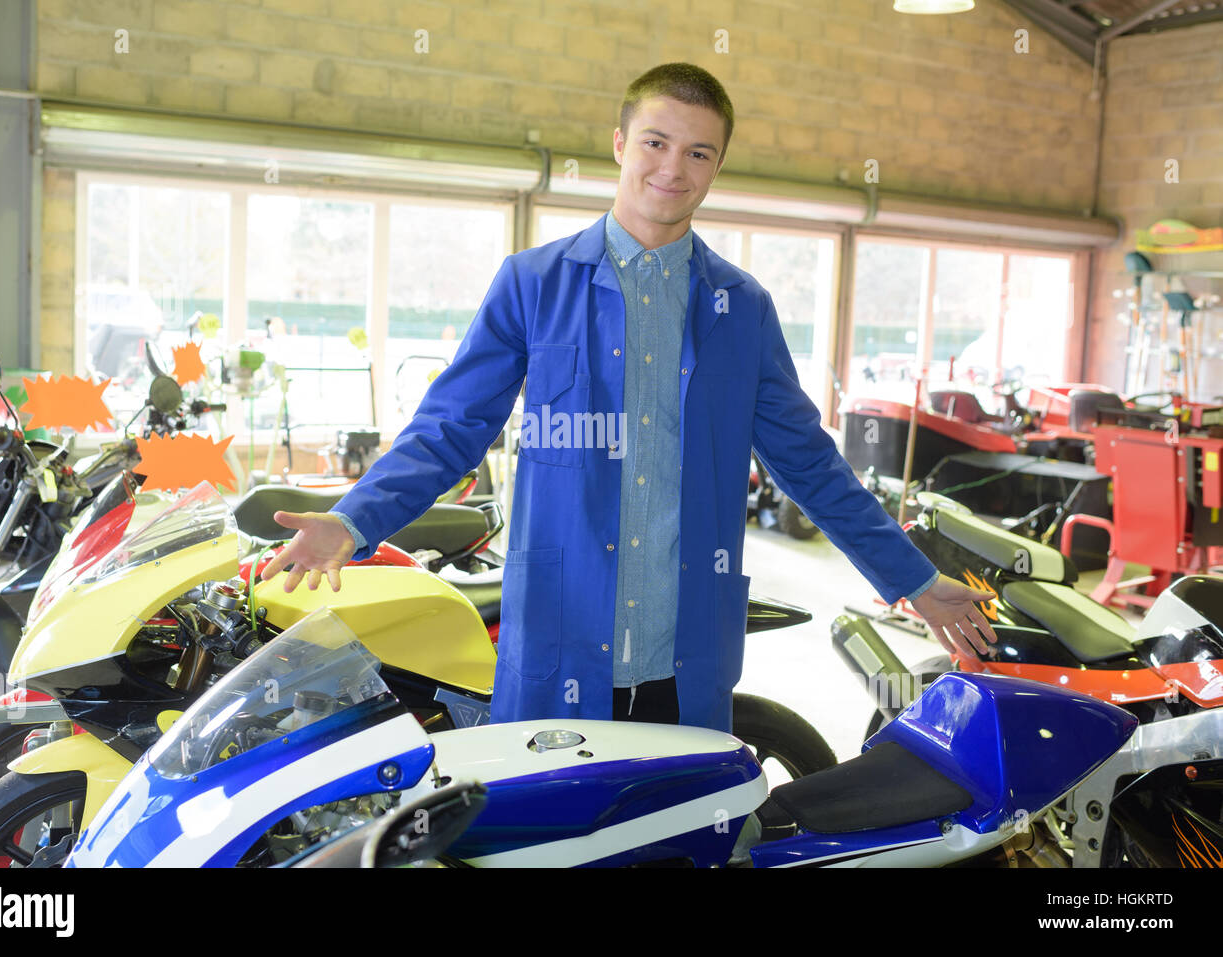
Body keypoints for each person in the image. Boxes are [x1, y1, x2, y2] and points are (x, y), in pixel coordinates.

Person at [260, 63, 997, 733]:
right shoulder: (533, 284)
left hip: (684, 656)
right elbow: (450, 429)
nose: (673, 168)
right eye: (655, 142)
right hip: (560, 637)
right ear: (619, 144)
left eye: (698, 152)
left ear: (716, 168)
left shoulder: (741, 308)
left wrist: (913, 580)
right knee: (545, 834)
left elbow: (809, 464)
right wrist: (352, 522)